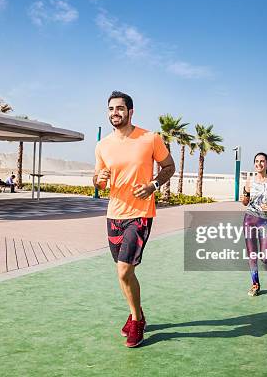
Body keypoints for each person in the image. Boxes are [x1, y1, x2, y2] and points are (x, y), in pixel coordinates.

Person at [94, 90, 175, 348]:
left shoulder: (150, 138)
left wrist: (153, 185)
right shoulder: (102, 145)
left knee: (124, 270)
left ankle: (137, 321)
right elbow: (97, 179)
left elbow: (169, 167)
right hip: (114, 214)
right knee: (124, 274)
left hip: (140, 214)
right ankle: (135, 313)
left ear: (130, 111)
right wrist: (98, 179)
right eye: (110, 109)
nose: (114, 113)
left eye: (119, 108)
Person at [241, 152, 267, 297]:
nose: (259, 164)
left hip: (266, 221)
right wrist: (244, 196)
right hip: (250, 219)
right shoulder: (249, 182)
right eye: (256, 161)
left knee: (264, 257)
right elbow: (245, 202)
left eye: (262, 161)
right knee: (252, 254)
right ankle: (255, 284)